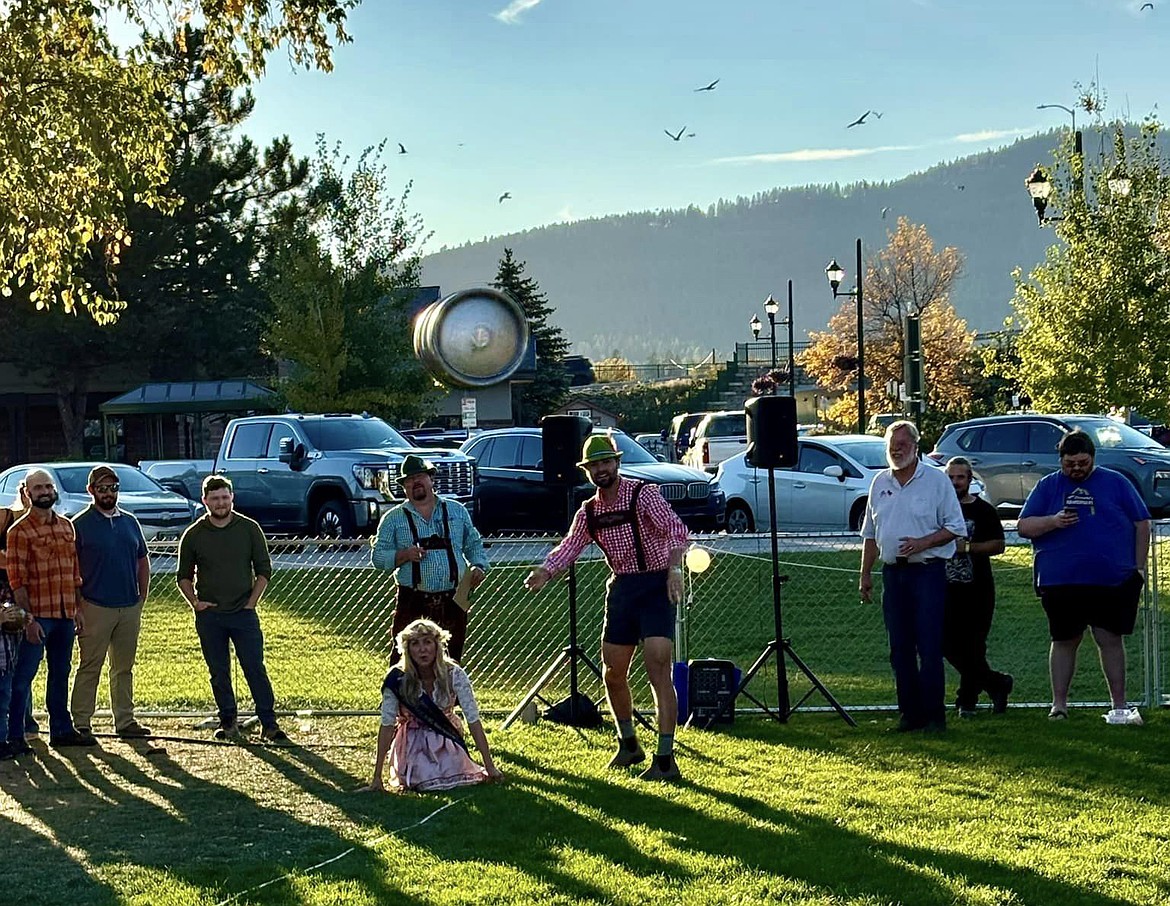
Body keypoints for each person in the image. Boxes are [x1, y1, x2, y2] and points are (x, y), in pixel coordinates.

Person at [524, 434, 689, 781]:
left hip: (656, 584)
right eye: (593, 466)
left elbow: (677, 530)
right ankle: (628, 743)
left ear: (616, 462)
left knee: (658, 666)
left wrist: (674, 569)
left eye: (605, 463)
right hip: (623, 589)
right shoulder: (590, 511)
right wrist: (545, 571)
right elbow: (570, 546)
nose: (600, 470)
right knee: (613, 672)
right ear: (587, 471)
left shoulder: (643, 494)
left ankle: (664, 757)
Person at [1018, 428, 1149, 724]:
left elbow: (1142, 521)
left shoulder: (1116, 482)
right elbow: (1024, 526)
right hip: (1061, 579)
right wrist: (1053, 521)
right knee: (1064, 639)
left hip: (1112, 578)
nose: (1077, 469)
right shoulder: (1048, 486)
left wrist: (1137, 567)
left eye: (1083, 463)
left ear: (1093, 458)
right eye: (1070, 464)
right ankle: (1059, 705)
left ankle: (1119, 705)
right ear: (1060, 460)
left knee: (1109, 638)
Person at [860, 421, 966, 733]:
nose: (897, 450)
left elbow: (955, 528)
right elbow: (869, 533)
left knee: (929, 647)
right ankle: (909, 714)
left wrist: (923, 542)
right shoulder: (879, 482)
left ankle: (935, 716)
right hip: (893, 575)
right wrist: (865, 573)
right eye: (893, 446)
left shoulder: (935, 481)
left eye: (903, 445)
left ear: (915, 447)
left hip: (927, 573)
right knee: (899, 648)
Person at [177, 475, 288, 743]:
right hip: (210, 616)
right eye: (214, 498)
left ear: (232, 498)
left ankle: (269, 723)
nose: (220, 502)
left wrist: (251, 603)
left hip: (243, 614)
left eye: (225, 497)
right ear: (204, 501)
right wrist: (195, 603)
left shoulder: (249, 529)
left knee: (254, 668)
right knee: (219, 671)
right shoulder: (194, 535)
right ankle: (228, 722)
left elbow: (264, 570)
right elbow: (183, 576)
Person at [5, 468, 95, 751]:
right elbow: (17, 580)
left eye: (48, 487)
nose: (44, 492)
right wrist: (28, 620)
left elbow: (74, 571)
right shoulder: (18, 531)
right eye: (38, 488)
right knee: (23, 676)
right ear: (27, 493)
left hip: (64, 613)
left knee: (60, 673)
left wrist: (77, 608)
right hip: (38, 614)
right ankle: (15, 735)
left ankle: (61, 730)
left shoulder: (66, 526)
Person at [371, 454, 488, 663]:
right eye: (409, 480)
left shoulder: (456, 511)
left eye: (420, 477)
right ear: (404, 487)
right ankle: (401, 697)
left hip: (454, 599)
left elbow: (473, 544)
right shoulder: (393, 519)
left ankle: (449, 697)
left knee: (451, 664)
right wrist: (404, 555)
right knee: (404, 665)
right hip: (413, 601)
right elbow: (378, 558)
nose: (415, 482)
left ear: (431, 479)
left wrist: (479, 566)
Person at [364, 618, 502, 792]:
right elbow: (387, 723)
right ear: (407, 649)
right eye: (415, 643)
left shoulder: (454, 674)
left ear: (437, 646)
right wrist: (377, 777)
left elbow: (473, 718)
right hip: (411, 742)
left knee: (450, 767)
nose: (422, 649)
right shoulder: (397, 678)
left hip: (446, 739)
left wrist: (489, 766)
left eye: (427, 642)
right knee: (421, 774)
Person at [70, 466, 153, 738]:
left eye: (113, 488)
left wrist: (142, 596)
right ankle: (81, 723)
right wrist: (78, 604)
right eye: (102, 488)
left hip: (129, 606)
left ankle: (126, 721)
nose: (108, 493)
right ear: (91, 490)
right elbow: (71, 568)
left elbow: (142, 560)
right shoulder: (79, 524)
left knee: (123, 668)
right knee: (90, 666)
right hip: (94, 606)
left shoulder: (130, 522)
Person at [942, 457, 1012, 717]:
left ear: (970, 480)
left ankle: (967, 701)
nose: (955, 482)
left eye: (960, 477)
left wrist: (968, 548)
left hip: (977, 589)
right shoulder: (939, 510)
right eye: (950, 477)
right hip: (946, 588)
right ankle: (997, 684)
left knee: (973, 646)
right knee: (946, 644)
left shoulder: (984, 511)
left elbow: (999, 544)